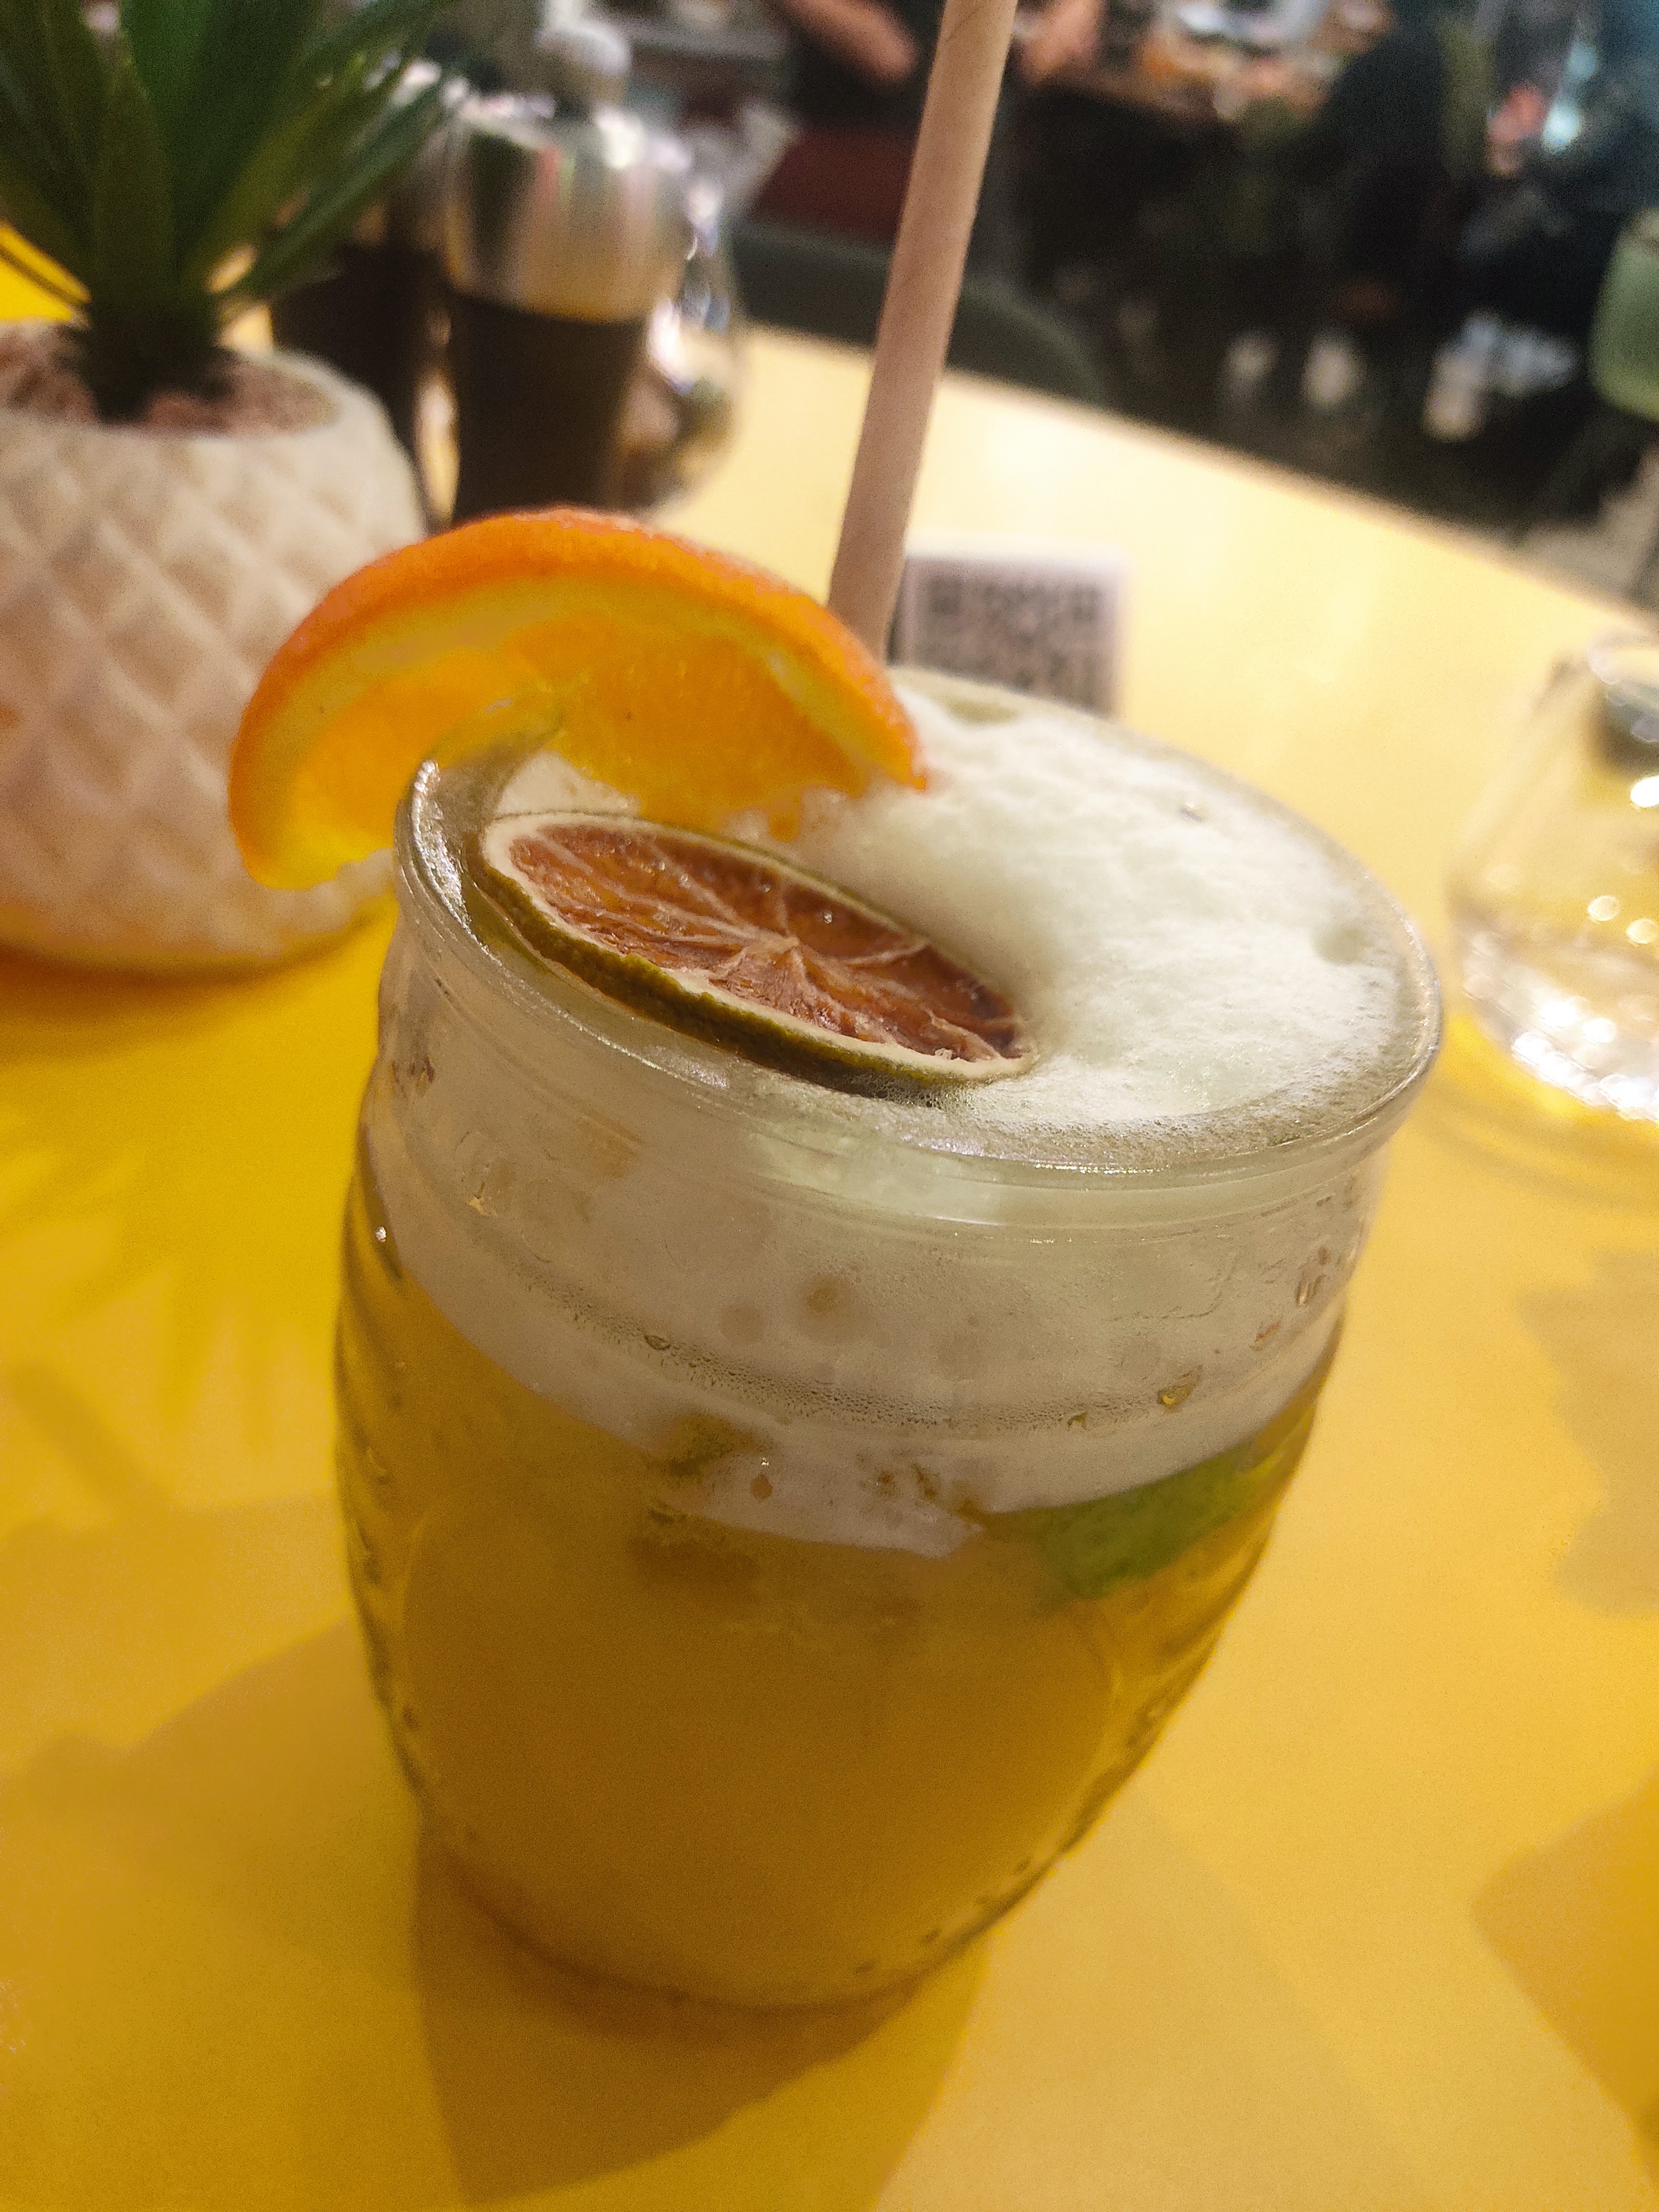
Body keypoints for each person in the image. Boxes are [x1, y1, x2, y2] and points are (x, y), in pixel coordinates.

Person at [1461, 0, 1659, 340]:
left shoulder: (1635, 74)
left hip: (1599, 233)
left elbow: (1576, 159)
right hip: (1602, 227)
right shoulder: (1629, 70)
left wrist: (1518, 148)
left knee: (1482, 245)